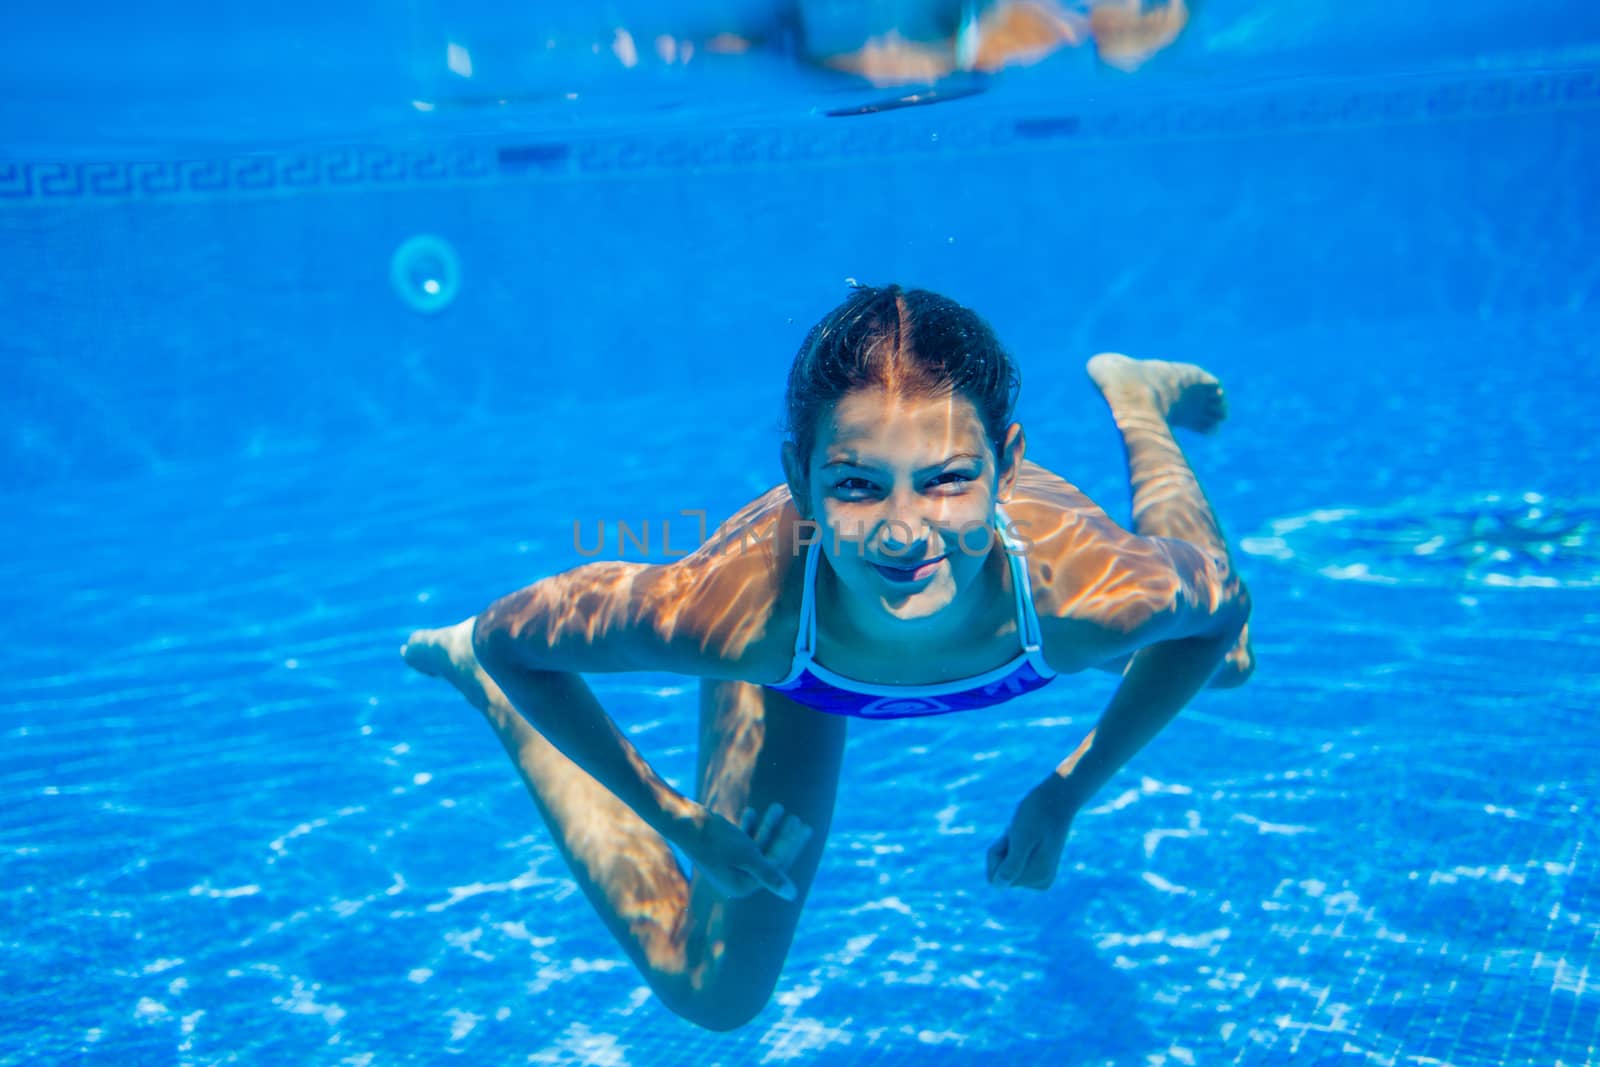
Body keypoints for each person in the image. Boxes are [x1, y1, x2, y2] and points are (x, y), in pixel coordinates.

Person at [401, 284, 1252, 1031]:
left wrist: (1067, 792)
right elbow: (506, 639)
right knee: (716, 997)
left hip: (1026, 597)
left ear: (1009, 466)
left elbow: (1222, 611)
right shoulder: (737, 615)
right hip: (800, 657)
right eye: (854, 484)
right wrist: (673, 816)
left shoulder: (1079, 598)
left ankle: (1136, 399)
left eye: (950, 478)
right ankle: (490, 705)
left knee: (1226, 657)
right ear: (800, 478)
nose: (903, 531)